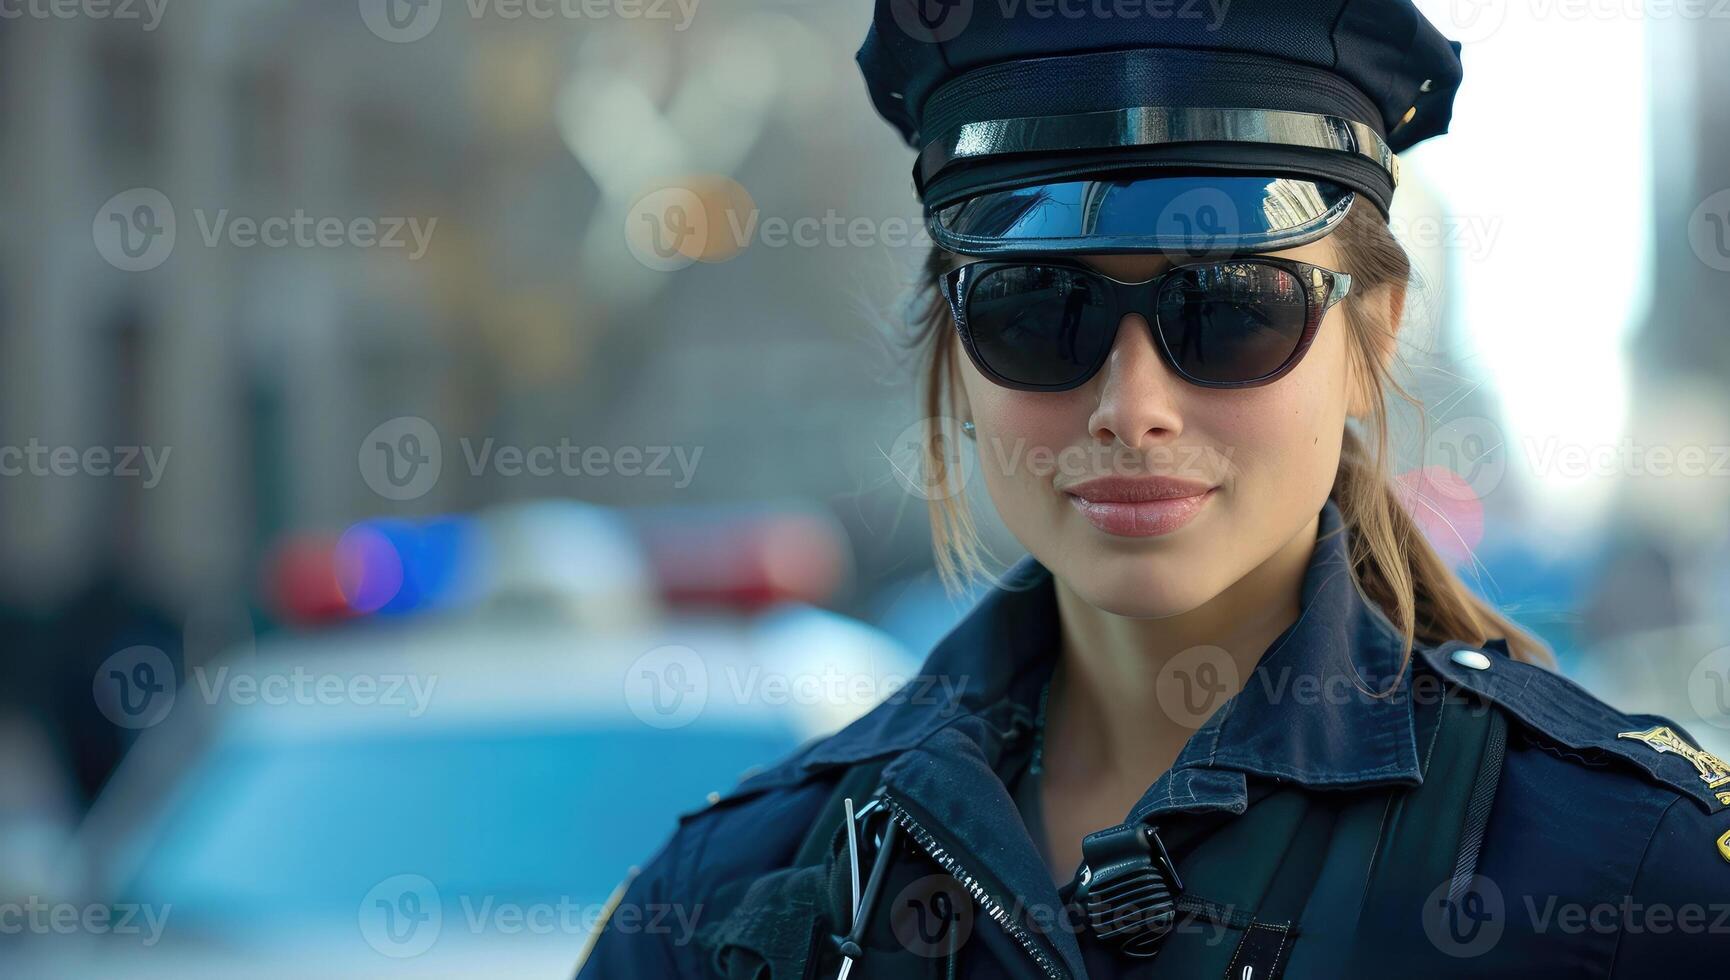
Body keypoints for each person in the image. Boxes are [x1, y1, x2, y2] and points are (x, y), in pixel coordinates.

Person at [577, 1, 1730, 976]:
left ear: (1371, 334)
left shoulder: (1634, 877)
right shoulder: (731, 904)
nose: (1130, 404)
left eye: (1227, 307)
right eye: (1038, 310)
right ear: (951, 346)